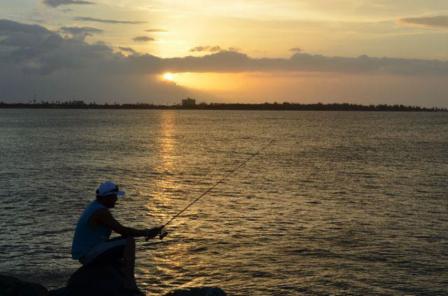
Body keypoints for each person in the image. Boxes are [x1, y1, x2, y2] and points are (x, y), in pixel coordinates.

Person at [71, 181, 165, 291]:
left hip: (87, 253)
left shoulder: (94, 206)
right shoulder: (101, 212)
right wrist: (147, 232)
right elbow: (123, 231)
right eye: (114, 196)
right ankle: (130, 282)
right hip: (89, 254)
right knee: (129, 241)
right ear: (107, 197)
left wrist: (148, 232)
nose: (116, 199)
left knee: (119, 250)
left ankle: (119, 278)